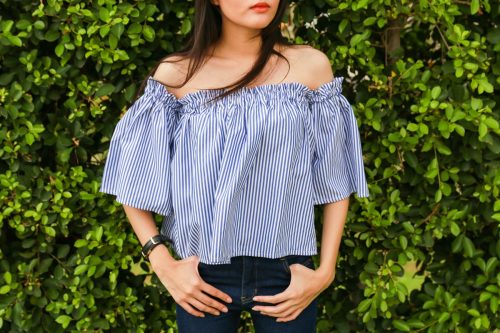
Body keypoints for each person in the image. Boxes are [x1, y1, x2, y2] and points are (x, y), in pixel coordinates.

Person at [99, 0, 369, 331]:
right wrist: (163, 264)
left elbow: (335, 177)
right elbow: (134, 179)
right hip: (203, 276)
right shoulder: (177, 74)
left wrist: (325, 272)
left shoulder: (310, 67)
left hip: (287, 272)